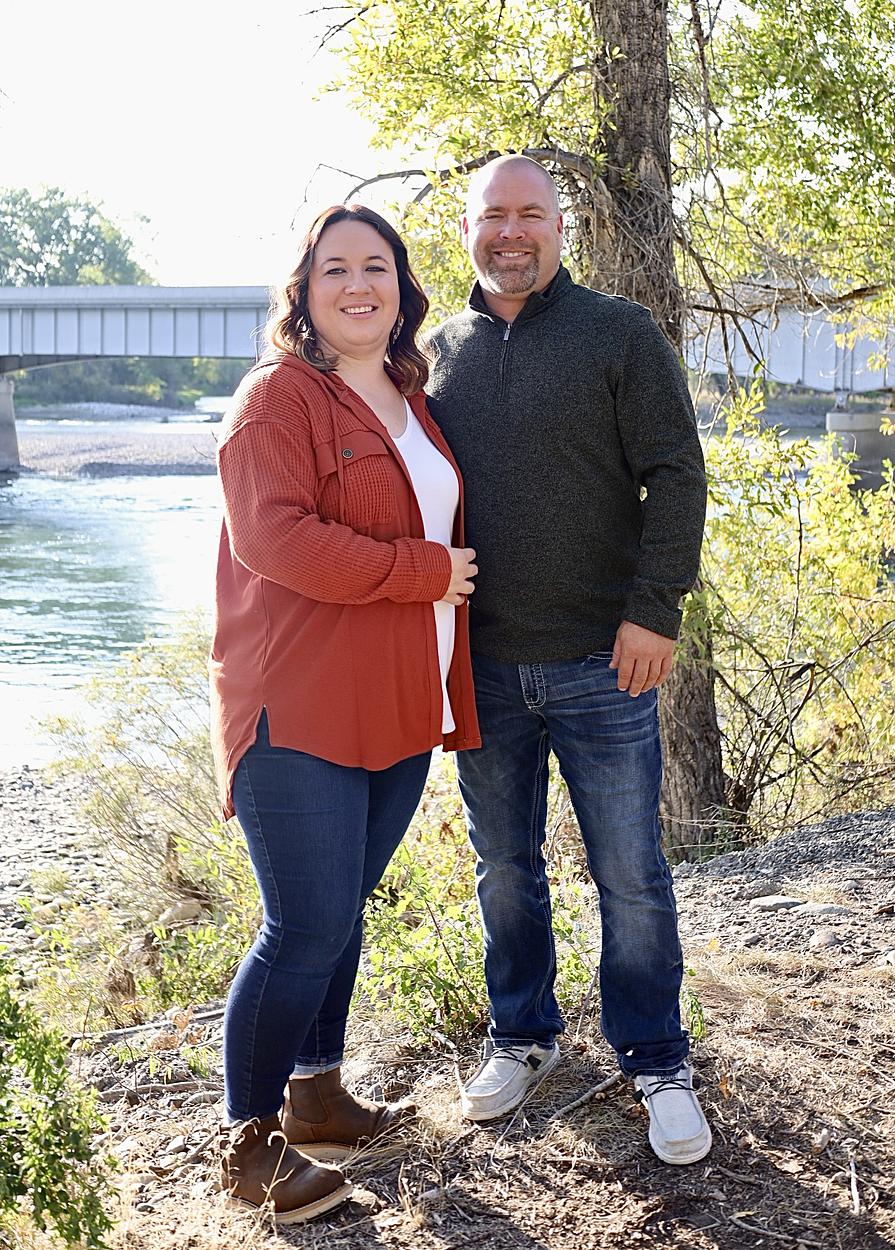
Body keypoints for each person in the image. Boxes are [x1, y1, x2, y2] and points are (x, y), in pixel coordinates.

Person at [425, 155, 711, 1166]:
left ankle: (657, 1058)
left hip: (605, 660)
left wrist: (654, 611)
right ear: (469, 228)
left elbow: (677, 473)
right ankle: (523, 1035)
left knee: (629, 873)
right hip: (482, 669)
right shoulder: (434, 353)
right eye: (492, 215)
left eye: (530, 214)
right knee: (504, 868)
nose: (511, 231)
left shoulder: (618, 333)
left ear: (559, 225)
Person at [209, 203, 480, 1223]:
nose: (358, 284)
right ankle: (247, 1145)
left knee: (343, 910)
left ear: (403, 287)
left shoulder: (412, 396)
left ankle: (316, 1093)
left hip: (399, 703)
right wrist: (422, 572)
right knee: (304, 924)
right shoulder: (277, 398)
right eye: (335, 268)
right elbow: (275, 540)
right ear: (305, 290)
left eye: (377, 266)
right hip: (298, 704)